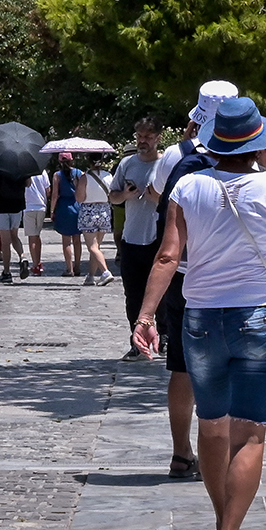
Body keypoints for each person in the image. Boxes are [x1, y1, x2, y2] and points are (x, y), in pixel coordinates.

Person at [133, 97, 266, 530]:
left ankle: (222, 525)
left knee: (213, 425)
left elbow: (166, 257)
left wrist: (145, 317)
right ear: (257, 143)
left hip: (200, 319)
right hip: (260, 318)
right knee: (251, 432)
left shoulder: (188, 186)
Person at [150, 81, 237, 478]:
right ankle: (228, 452)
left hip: (186, 275)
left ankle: (182, 452)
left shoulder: (175, 156)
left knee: (182, 368)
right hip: (235, 280)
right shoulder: (249, 155)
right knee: (231, 368)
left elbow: (156, 199)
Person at [109, 118, 163, 360]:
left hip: (158, 240)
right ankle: (136, 340)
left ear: (158, 138)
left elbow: (179, 201)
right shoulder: (127, 164)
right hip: (131, 240)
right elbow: (113, 197)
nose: (143, 141)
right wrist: (125, 194)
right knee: (133, 294)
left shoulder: (166, 165)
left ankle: (165, 338)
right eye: (140, 136)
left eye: (148, 137)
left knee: (163, 293)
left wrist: (156, 198)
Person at [77, 155, 115, 285]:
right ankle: (91, 276)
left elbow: (79, 198)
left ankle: (105, 272)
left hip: (89, 210)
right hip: (104, 210)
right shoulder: (109, 176)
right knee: (96, 246)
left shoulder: (85, 177)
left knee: (92, 246)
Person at [51, 153, 84, 277]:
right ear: (72, 160)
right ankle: (77, 267)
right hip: (77, 205)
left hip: (64, 207)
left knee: (66, 241)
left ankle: (69, 269)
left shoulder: (57, 175)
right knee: (77, 239)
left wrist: (52, 211)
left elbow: (54, 195)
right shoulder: (79, 173)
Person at [22, 168, 51, 276]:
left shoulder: (24, 171)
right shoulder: (42, 171)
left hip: (28, 207)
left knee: (32, 237)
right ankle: (38, 261)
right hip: (41, 207)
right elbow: (48, 190)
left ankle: (35, 265)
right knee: (37, 236)